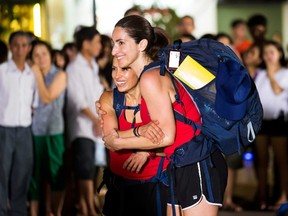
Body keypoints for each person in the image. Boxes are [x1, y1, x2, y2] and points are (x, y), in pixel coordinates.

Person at [105, 15, 227, 216]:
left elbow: (165, 136)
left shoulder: (151, 78)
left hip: (198, 161)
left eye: (121, 43)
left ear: (142, 44)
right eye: (113, 43)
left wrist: (119, 142)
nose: (114, 51)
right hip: (178, 164)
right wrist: (124, 136)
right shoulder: (152, 73)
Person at [99, 57, 169, 216]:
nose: (117, 75)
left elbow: (175, 144)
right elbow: (111, 141)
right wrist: (142, 132)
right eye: (114, 69)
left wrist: (147, 152)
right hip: (120, 188)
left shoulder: (157, 98)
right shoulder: (109, 98)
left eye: (124, 69)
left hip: (156, 186)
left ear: (139, 69)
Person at [66, 26, 103, 216]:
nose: (99, 46)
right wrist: (95, 120)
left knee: (93, 167)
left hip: (96, 127)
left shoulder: (93, 65)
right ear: (86, 44)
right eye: (96, 42)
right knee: (84, 167)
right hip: (82, 127)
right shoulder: (74, 68)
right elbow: (77, 100)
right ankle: (87, 208)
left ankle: (90, 205)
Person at [0, 30, 37, 215]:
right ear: (10, 47)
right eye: (16, 45)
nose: (20, 49)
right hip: (3, 130)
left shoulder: (32, 74)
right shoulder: (1, 72)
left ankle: (18, 212)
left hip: (25, 131)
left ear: (29, 48)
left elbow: (35, 103)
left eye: (24, 45)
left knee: (22, 175)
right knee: (2, 175)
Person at [29, 40, 67, 216]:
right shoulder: (28, 75)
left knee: (56, 175)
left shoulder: (59, 75)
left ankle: (55, 212)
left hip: (54, 132)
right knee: (34, 177)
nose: (40, 58)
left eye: (44, 53)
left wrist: (37, 74)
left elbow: (47, 97)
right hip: (34, 131)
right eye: (36, 55)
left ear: (50, 55)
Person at [254, 40, 288, 211]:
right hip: (262, 121)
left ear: (280, 54)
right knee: (261, 161)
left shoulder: (285, 73)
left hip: (279, 121)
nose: (268, 56)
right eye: (265, 52)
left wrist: (271, 73)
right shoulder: (260, 73)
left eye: (271, 52)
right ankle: (262, 197)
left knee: (281, 161)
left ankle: (283, 197)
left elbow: (277, 91)